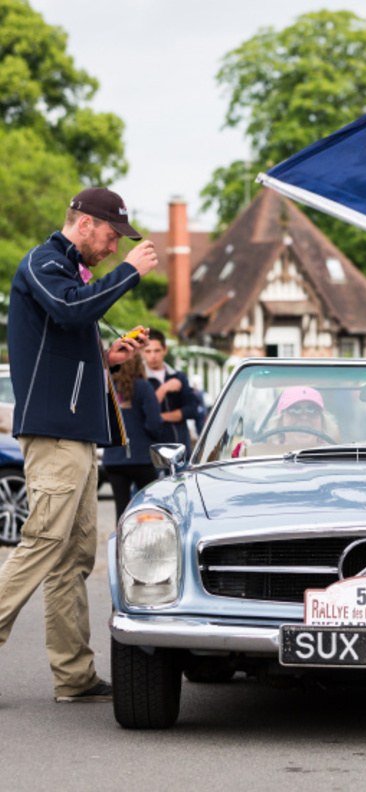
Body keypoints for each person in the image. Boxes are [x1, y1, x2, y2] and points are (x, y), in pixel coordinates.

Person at [0, 187, 157, 703]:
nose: (114, 246)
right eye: (113, 235)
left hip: (76, 436)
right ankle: (74, 673)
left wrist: (107, 359)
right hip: (56, 433)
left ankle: (74, 676)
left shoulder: (65, 270)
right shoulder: (44, 262)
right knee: (46, 543)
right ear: (85, 223)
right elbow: (70, 312)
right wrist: (131, 271)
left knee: (74, 555)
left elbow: (68, 334)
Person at [103, 353, 162, 519]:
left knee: (121, 509)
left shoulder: (108, 387)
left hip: (113, 457)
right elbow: (153, 423)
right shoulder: (144, 386)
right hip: (141, 457)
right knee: (152, 507)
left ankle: (119, 544)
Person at [142, 328, 199, 453]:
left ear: (165, 350)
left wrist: (160, 416)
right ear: (142, 352)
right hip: (153, 453)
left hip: (180, 450)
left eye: (157, 350)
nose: (153, 356)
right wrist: (164, 388)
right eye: (148, 351)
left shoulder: (179, 376)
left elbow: (192, 410)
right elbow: (143, 414)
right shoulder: (140, 379)